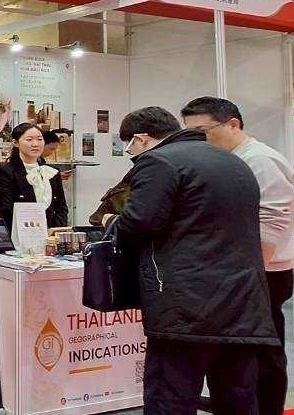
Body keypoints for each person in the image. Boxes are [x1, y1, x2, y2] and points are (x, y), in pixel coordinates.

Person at [104, 106, 279, 414]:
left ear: (141, 139)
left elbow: (140, 222)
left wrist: (111, 221)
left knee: (171, 397)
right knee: (237, 397)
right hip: (242, 299)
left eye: (129, 146)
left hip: (184, 304)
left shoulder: (158, 162)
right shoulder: (234, 162)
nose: (130, 153)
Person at [182, 96, 294, 415]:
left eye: (204, 131)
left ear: (233, 124)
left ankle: (266, 407)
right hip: (242, 269)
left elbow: (273, 218)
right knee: (238, 350)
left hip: (263, 271)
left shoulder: (260, 160)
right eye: (191, 133)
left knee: (263, 351)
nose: (199, 140)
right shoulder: (231, 159)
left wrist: (252, 268)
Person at [0, 123, 69, 229]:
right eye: (29, 139)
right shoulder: (5, 172)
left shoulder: (52, 172)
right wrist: (32, 230)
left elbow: (61, 207)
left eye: (39, 139)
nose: (35, 144)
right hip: (20, 232)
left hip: (51, 234)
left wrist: (55, 231)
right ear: (15, 143)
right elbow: (5, 208)